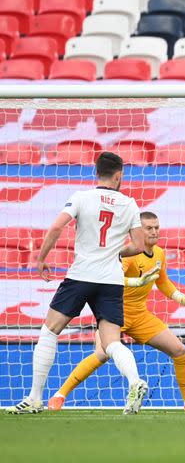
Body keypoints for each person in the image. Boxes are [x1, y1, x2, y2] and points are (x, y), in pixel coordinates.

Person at [7, 152, 148, 415]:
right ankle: (135, 381)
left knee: (50, 330)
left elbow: (57, 227)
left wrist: (41, 259)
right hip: (111, 280)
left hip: (80, 275)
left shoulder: (81, 197)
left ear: (98, 173)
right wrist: (116, 252)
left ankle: (35, 398)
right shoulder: (129, 204)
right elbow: (139, 245)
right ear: (118, 176)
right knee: (111, 342)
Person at [47, 212, 185, 412]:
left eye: (157, 227)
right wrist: (136, 281)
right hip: (114, 312)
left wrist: (183, 299)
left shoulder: (158, 253)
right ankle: (59, 396)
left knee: (179, 350)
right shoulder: (128, 254)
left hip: (140, 315)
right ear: (138, 231)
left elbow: (163, 281)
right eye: (149, 228)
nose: (154, 231)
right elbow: (111, 278)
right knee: (101, 354)